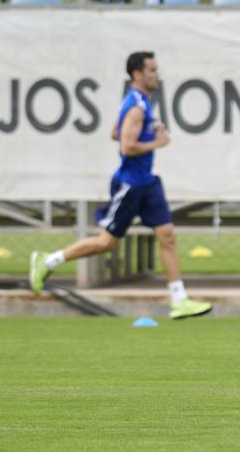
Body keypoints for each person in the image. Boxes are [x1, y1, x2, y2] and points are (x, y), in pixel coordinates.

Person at [29, 51, 212, 320]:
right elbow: (126, 146)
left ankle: (179, 299)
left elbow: (115, 131)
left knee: (168, 236)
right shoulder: (137, 105)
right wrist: (156, 143)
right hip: (131, 184)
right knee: (107, 242)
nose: (156, 74)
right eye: (151, 70)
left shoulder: (137, 102)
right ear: (137, 74)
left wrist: (148, 129)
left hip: (147, 182)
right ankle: (48, 260)